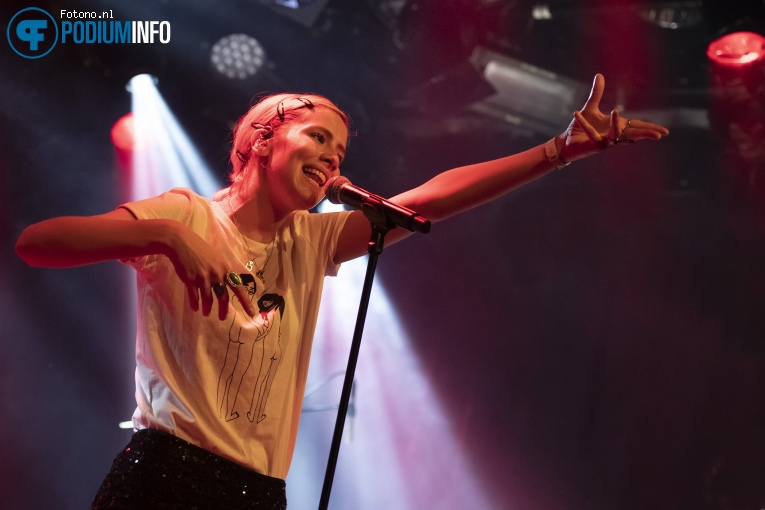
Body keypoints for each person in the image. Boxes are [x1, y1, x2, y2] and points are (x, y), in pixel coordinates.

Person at [15, 74, 668, 509]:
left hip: (258, 492)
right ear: (263, 137)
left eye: (341, 149)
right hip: (167, 478)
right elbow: (37, 242)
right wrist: (164, 236)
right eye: (318, 137)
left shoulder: (310, 243)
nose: (332, 157)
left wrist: (558, 151)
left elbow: (424, 200)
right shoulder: (187, 214)